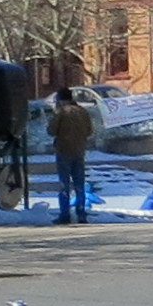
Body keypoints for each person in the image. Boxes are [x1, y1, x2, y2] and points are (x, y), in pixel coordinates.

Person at [50, 87, 95, 224]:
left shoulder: (62, 112)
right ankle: (81, 213)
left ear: (60, 99)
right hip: (79, 151)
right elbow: (89, 131)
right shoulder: (83, 112)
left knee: (64, 184)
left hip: (64, 150)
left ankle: (65, 214)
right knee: (79, 184)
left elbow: (51, 130)